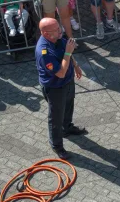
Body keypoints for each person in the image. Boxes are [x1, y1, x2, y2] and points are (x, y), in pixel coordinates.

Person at [35, 17, 86, 159]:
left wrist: (76, 65)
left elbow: (66, 48)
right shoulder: (44, 52)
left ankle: (67, 127)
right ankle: (57, 145)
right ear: (46, 34)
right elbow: (61, 73)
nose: (60, 31)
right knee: (55, 117)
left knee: (69, 104)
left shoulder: (57, 38)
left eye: (59, 27)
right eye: (56, 30)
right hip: (55, 87)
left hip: (68, 82)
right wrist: (69, 52)